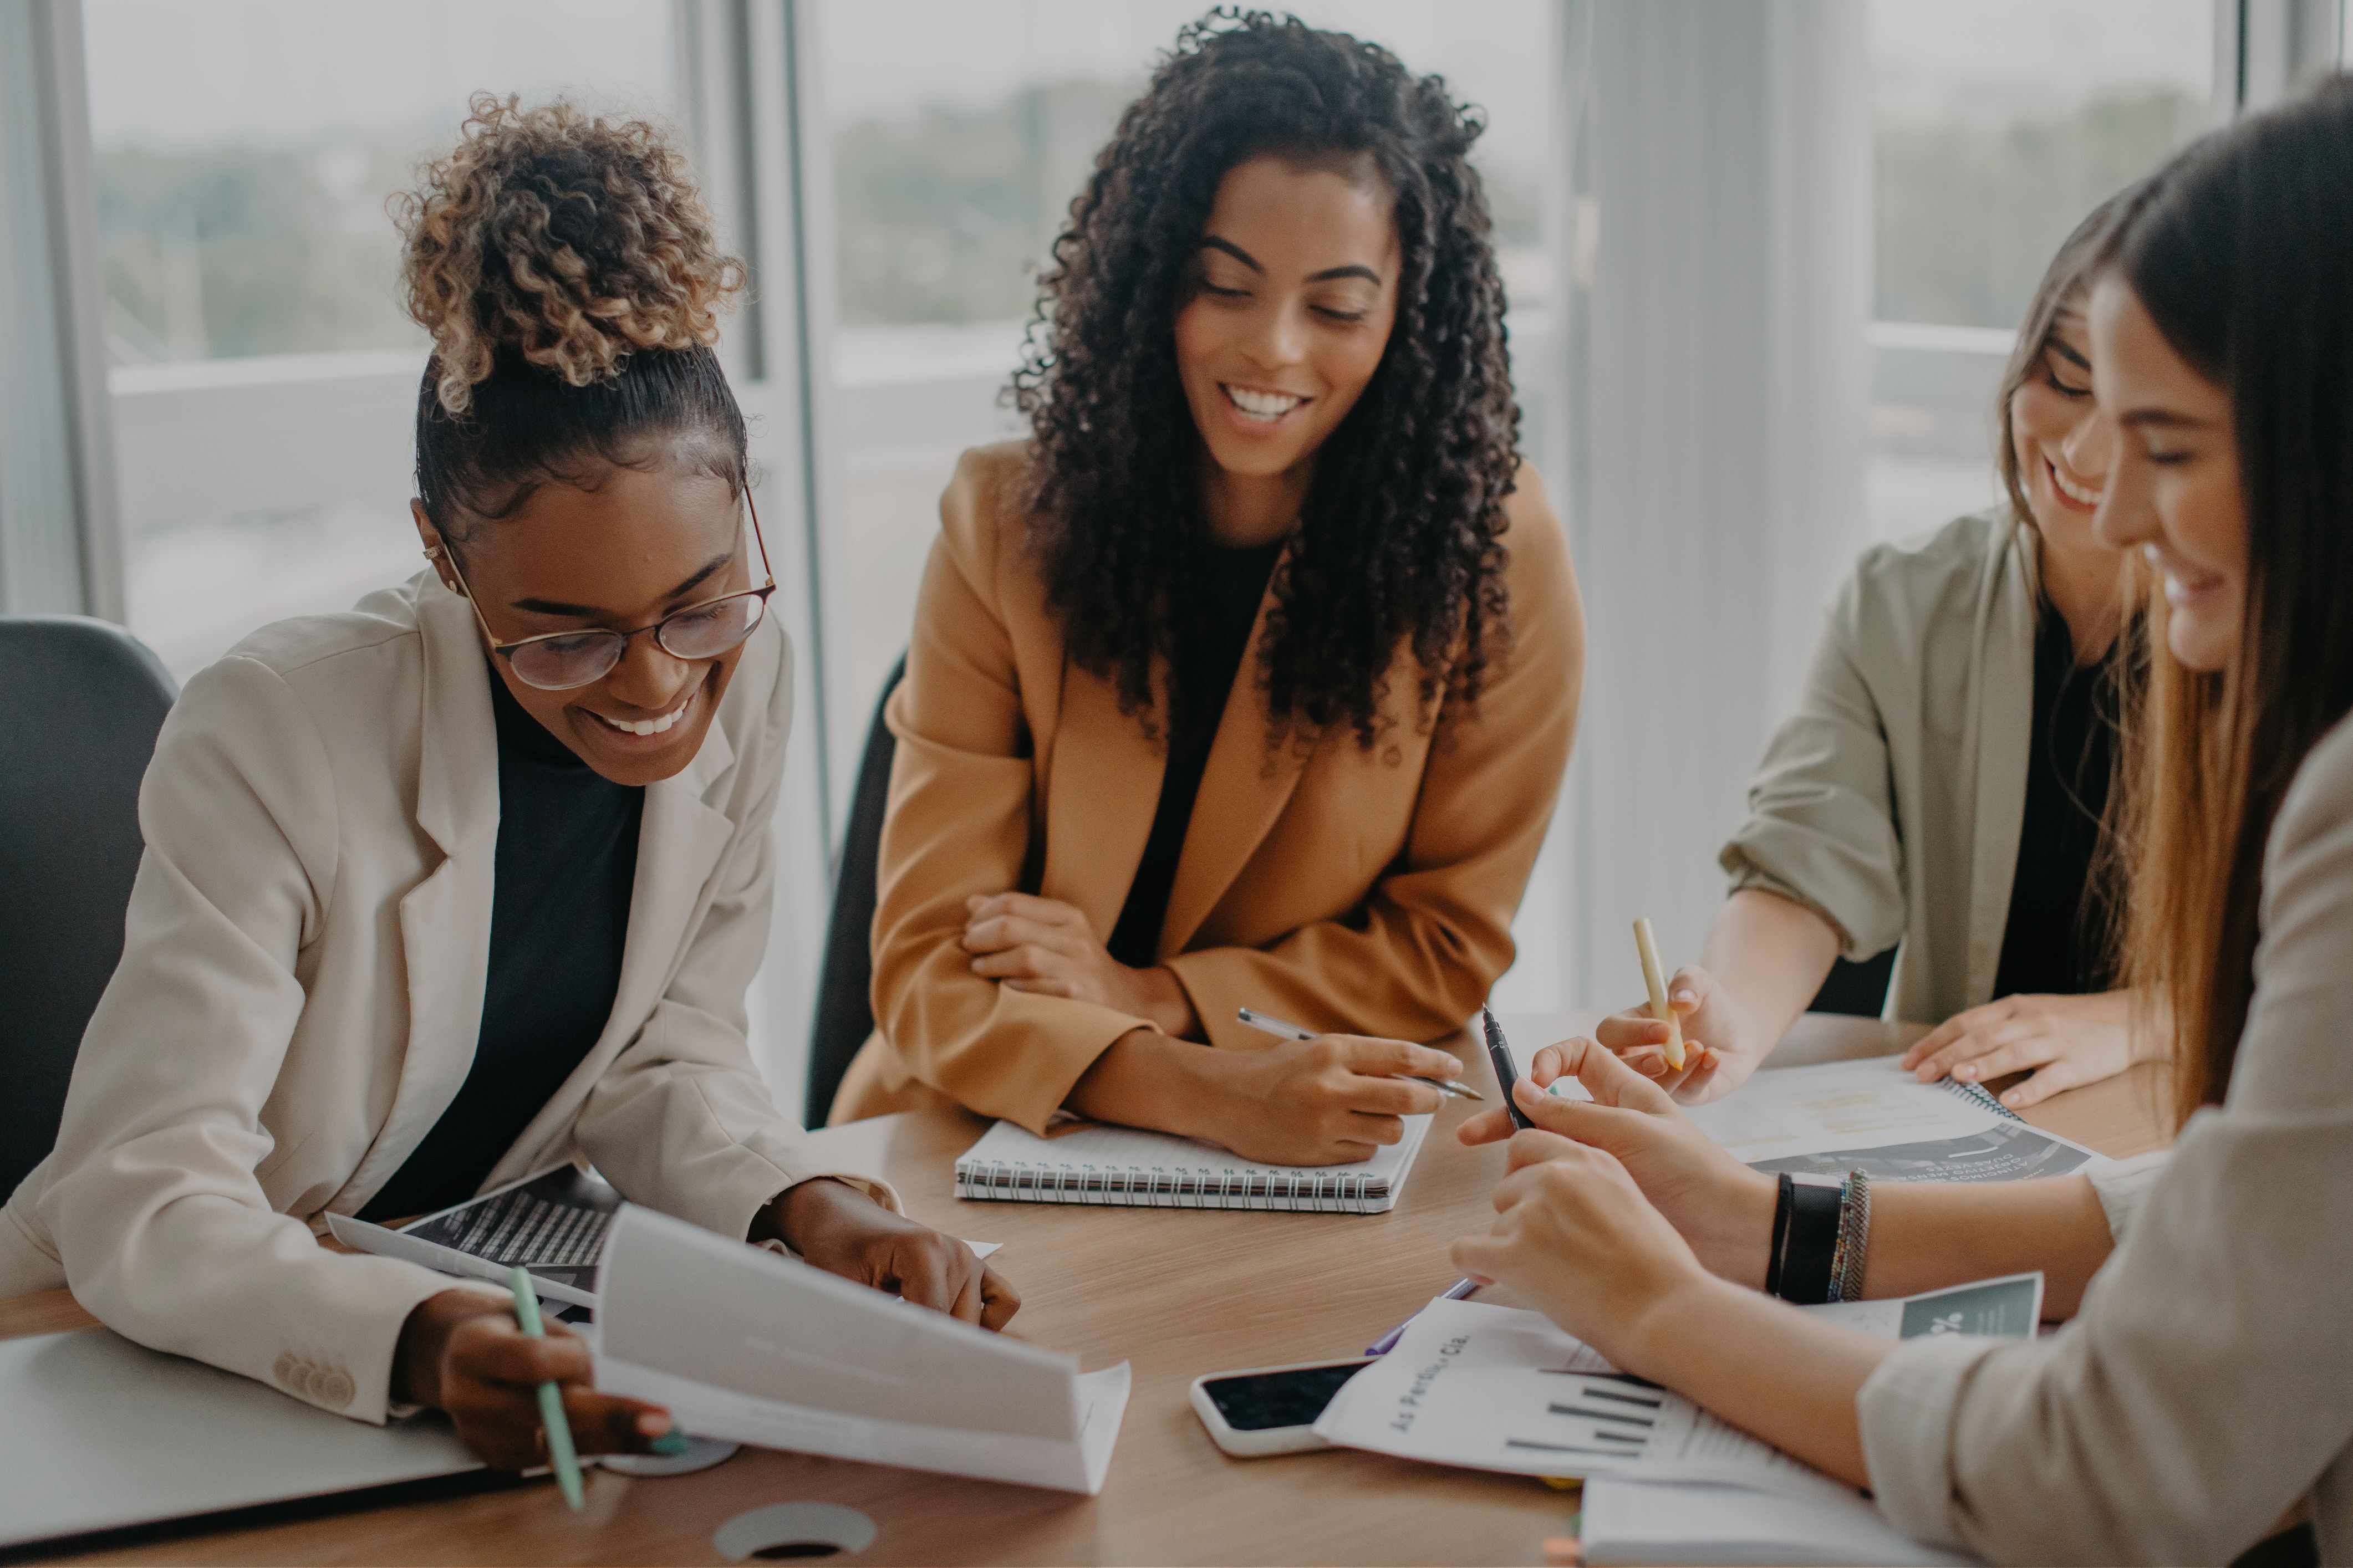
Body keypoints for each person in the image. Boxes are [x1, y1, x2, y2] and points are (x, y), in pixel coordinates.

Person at [0, 97, 1014, 1470]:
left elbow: (667, 1051)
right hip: (156, 1350)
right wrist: (413, 1338)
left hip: (505, 1317)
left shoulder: (748, 674)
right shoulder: (279, 729)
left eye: (698, 601)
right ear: (442, 549)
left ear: (745, 512)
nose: (656, 686)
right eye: (566, 635)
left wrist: (808, 1202)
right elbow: (146, 1189)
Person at [1455, 78, 2353, 1565]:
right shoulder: (1919, 598)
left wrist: (1665, 1308)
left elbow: (2114, 1465)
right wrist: (1773, 1221)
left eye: (2174, 448)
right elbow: (2236, 1211)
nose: (2111, 502)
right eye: (2070, 393)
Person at [828, 13, 1583, 1165]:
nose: (1272, 349)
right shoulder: (1000, 523)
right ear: (1150, 281)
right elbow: (928, 968)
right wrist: (1202, 1087)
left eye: (1334, 308)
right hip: (967, 1127)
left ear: (1408, 321)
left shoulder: (1488, 549)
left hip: (1302, 1138)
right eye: (1222, 286)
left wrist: (1156, 991)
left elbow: (1441, 944)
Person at [1601, 194, 2162, 1110]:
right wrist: (1730, 1010)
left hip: (2191, 1142)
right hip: (1976, 1128)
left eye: (2142, 419)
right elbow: (1806, 862)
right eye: (2064, 382)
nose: (2083, 450)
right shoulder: (1901, 603)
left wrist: (2138, 1019)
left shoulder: (2290, 631)